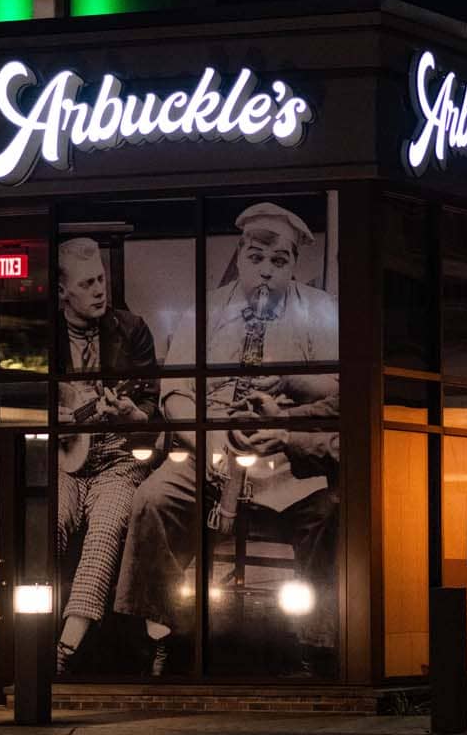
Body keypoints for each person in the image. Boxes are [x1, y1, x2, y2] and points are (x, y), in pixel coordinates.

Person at [114, 201, 341, 676]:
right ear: (239, 255)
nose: (265, 273)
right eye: (256, 258)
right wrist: (215, 441)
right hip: (209, 451)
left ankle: (317, 643)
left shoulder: (321, 311)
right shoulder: (206, 310)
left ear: (295, 266)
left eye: (279, 262)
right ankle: (165, 633)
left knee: (329, 514)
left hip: (285, 457)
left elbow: (339, 390)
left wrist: (285, 401)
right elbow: (174, 396)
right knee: (152, 501)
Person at [53, 237, 159, 671]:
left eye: (101, 279)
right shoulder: (41, 336)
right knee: (49, 523)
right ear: (62, 292)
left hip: (118, 458)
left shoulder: (132, 329)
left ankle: (65, 648)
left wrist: (133, 413)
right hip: (62, 458)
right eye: (87, 283)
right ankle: (24, 632)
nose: (100, 290)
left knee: (106, 528)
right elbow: (7, 395)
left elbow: (151, 407)